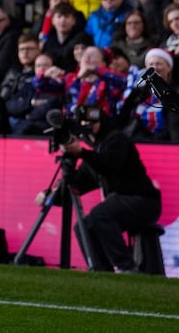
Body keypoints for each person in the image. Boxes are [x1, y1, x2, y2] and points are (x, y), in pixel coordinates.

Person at [41, 104, 162, 273]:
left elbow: (109, 165)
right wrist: (49, 195)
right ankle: (102, 271)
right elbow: (77, 185)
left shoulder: (116, 139)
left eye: (93, 122)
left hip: (144, 201)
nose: (89, 126)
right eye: (85, 123)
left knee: (100, 214)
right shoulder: (95, 151)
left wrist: (81, 152)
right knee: (83, 226)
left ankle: (127, 267)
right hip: (122, 202)